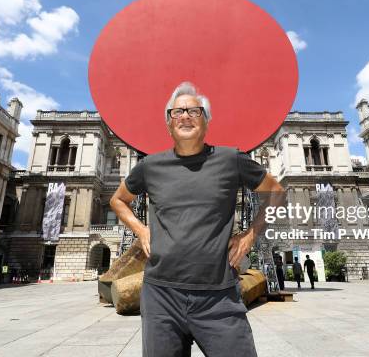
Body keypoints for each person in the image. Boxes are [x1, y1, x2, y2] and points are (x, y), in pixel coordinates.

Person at [110, 82, 285, 357]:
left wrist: (250, 235)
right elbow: (117, 200)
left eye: (194, 110)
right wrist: (140, 229)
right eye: (177, 112)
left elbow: (277, 193)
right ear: (168, 123)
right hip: (161, 297)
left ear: (206, 121)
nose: (185, 116)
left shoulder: (231, 160)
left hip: (219, 297)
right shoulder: (149, 166)